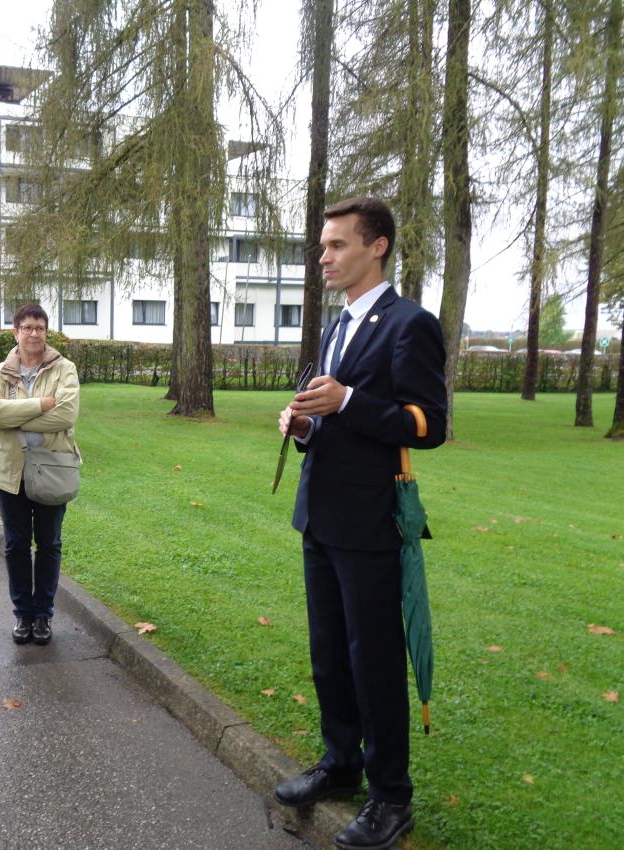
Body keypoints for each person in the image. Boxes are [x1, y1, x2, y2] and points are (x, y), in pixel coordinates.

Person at [273, 197, 447, 850]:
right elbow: (335, 423)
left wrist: (348, 400)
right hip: (320, 515)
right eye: (323, 246)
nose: (323, 257)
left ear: (377, 247)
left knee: (373, 660)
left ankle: (391, 795)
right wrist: (305, 426)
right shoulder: (335, 326)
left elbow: (427, 424)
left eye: (336, 245)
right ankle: (341, 762)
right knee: (328, 654)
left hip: (371, 522)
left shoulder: (409, 324)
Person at [0, 304, 80, 645]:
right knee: (17, 544)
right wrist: (40, 405)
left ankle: (43, 615)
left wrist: (15, 419)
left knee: (49, 544)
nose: (34, 333)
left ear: (46, 332)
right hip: (10, 473)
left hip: (51, 469)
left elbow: (65, 415)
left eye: (40, 327)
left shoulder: (64, 368)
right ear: (16, 332)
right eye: (27, 327)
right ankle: (23, 613)